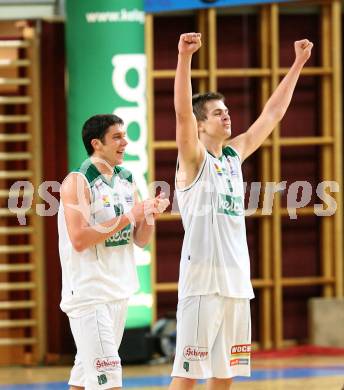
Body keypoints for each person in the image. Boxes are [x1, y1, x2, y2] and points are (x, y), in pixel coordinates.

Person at [169, 33, 313, 390]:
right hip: (202, 285)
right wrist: (184, 57)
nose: (227, 117)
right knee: (187, 376)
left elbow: (273, 113)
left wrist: (297, 64)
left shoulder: (234, 155)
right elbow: (182, 112)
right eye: (218, 113)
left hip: (236, 284)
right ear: (201, 125)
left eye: (227, 111)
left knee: (224, 376)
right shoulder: (192, 158)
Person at [58, 114, 169, 390]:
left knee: (85, 379)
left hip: (117, 291)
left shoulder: (126, 179)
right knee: (109, 382)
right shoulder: (77, 181)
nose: (125, 142)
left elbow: (139, 240)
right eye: (117, 137)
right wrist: (131, 215)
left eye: (125, 135)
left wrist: (149, 215)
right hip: (89, 294)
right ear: (97, 144)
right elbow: (80, 239)